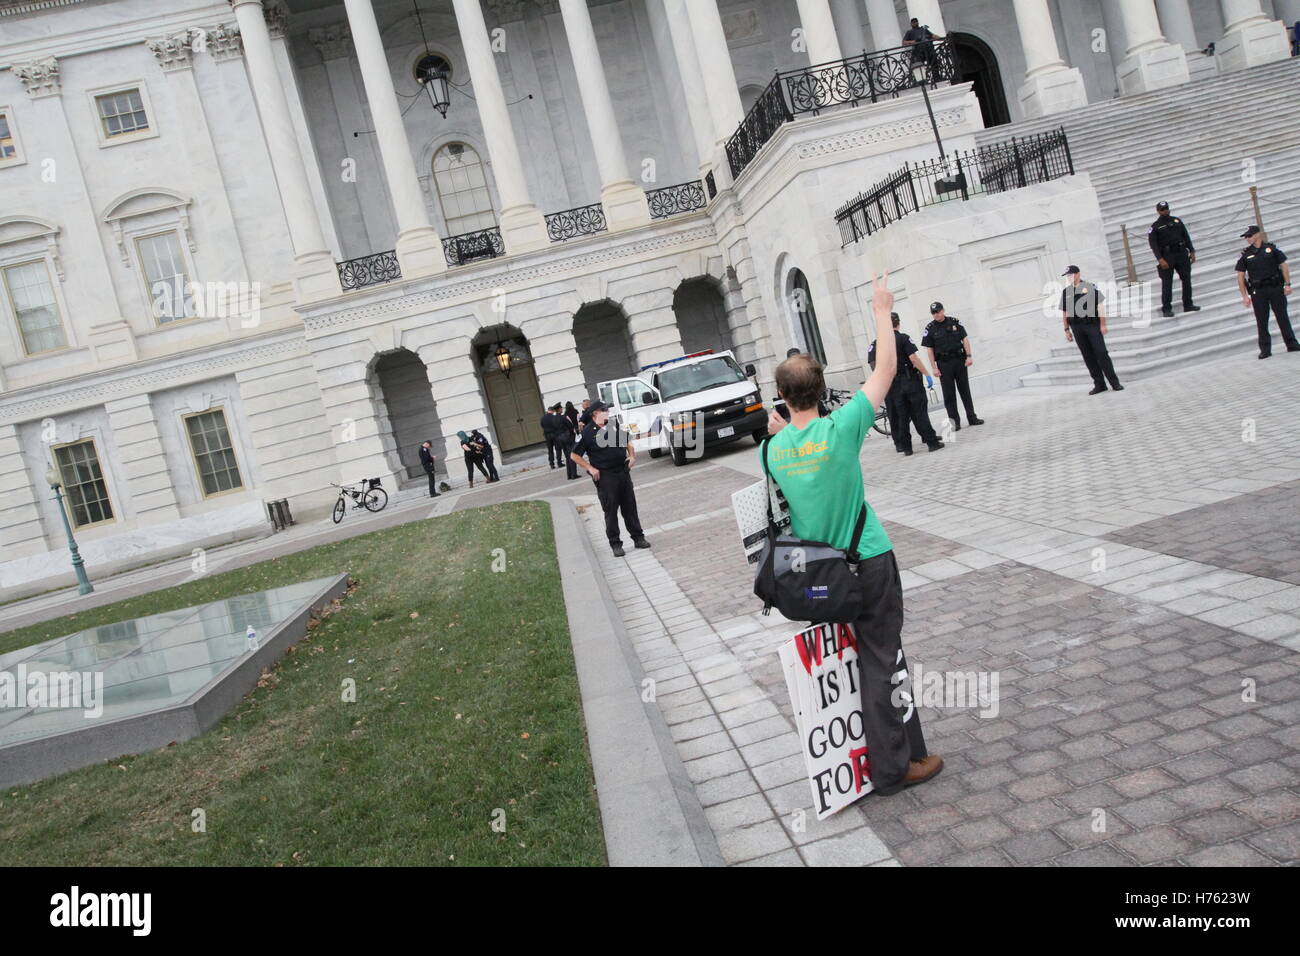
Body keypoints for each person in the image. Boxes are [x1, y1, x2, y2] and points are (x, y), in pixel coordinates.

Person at [764, 273, 941, 796]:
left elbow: (786, 451)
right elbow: (885, 369)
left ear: (780, 395)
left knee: (869, 657)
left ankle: (903, 748)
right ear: (821, 391)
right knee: (882, 659)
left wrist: (782, 429)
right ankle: (892, 770)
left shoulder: (772, 450)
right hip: (868, 559)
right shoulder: (841, 427)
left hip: (819, 577)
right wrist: (882, 309)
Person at [571, 401, 650, 557]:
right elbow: (574, 455)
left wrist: (632, 456)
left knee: (630, 507)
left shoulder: (613, 425)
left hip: (623, 471)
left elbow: (627, 441)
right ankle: (615, 544)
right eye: (604, 409)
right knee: (611, 510)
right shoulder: (587, 433)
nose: (607, 411)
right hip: (606, 477)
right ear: (595, 413)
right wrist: (590, 468)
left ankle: (638, 538)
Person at [869, 313, 944, 455]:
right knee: (920, 413)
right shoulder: (903, 338)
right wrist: (926, 373)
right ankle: (932, 442)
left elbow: (875, 366)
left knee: (902, 416)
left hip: (894, 385)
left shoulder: (879, 343)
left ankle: (907, 448)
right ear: (898, 323)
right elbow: (913, 358)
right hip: (910, 381)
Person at [1235, 225, 1297, 359]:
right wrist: (1244, 296)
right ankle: (1265, 349)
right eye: (1246, 237)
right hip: (1258, 292)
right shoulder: (1246, 255)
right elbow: (1240, 276)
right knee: (1262, 321)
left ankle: (1291, 344)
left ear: (1257, 235)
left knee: (1283, 317)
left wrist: (1287, 284)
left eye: (1249, 236)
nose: (1247, 239)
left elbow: (1284, 265)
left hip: (1275, 288)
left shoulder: (1271, 249)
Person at [1061, 265, 1124, 394]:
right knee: (1088, 356)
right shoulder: (1066, 292)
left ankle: (1114, 382)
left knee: (1101, 354)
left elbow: (1100, 306)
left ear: (1078, 274)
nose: (1069, 278)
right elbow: (1065, 312)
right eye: (1067, 276)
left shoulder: (1090, 287)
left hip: (1092, 325)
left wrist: (1103, 324)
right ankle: (1099, 384)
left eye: (1071, 275)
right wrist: (1067, 330)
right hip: (1077, 328)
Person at [922, 302, 984, 431]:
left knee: (965, 391)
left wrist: (969, 356)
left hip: (959, 361)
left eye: (938, 311)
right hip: (944, 365)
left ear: (943, 310)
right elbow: (929, 350)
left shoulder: (954, 322)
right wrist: (934, 367)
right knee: (949, 395)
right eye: (933, 313)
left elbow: (965, 339)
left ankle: (972, 417)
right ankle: (954, 423)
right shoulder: (930, 329)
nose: (936, 314)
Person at [1148, 201, 1200, 318]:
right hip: (1167, 257)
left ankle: (1188, 304)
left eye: (1166, 208)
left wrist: (1191, 251)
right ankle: (1166, 308)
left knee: (1186, 279)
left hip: (1181, 253)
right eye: (1162, 209)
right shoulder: (1155, 227)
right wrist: (1160, 259)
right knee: (1167, 283)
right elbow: (1153, 245)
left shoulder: (1177, 221)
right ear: (1158, 211)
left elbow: (1186, 236)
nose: (1165, 210)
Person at [556, 405, 580, 480]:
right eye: (561, 408)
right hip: (568, 438)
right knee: (572, 455)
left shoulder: (554, 418)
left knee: (567, 456)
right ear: (559, 409)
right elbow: (570, 425)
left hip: (559, 438)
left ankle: (569, 474)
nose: (562, 409)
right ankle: (574, 474)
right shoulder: (564, 417)